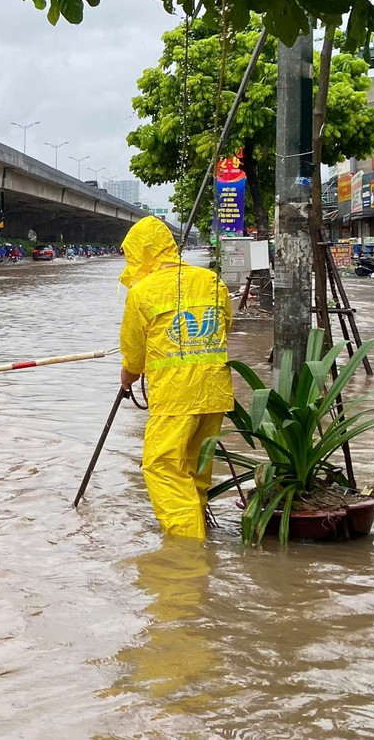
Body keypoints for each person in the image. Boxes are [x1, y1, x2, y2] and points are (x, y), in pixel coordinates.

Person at [118, 216, 233, 539]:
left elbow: (134, 354)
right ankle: (200, 533)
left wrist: (128, 375)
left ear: (140, 253)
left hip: (175, 396)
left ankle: (187, 551)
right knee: (194, 468)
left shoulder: (142, 292)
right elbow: (225, 327)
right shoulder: (211, 281)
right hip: (214, 391)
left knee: (162, 467)